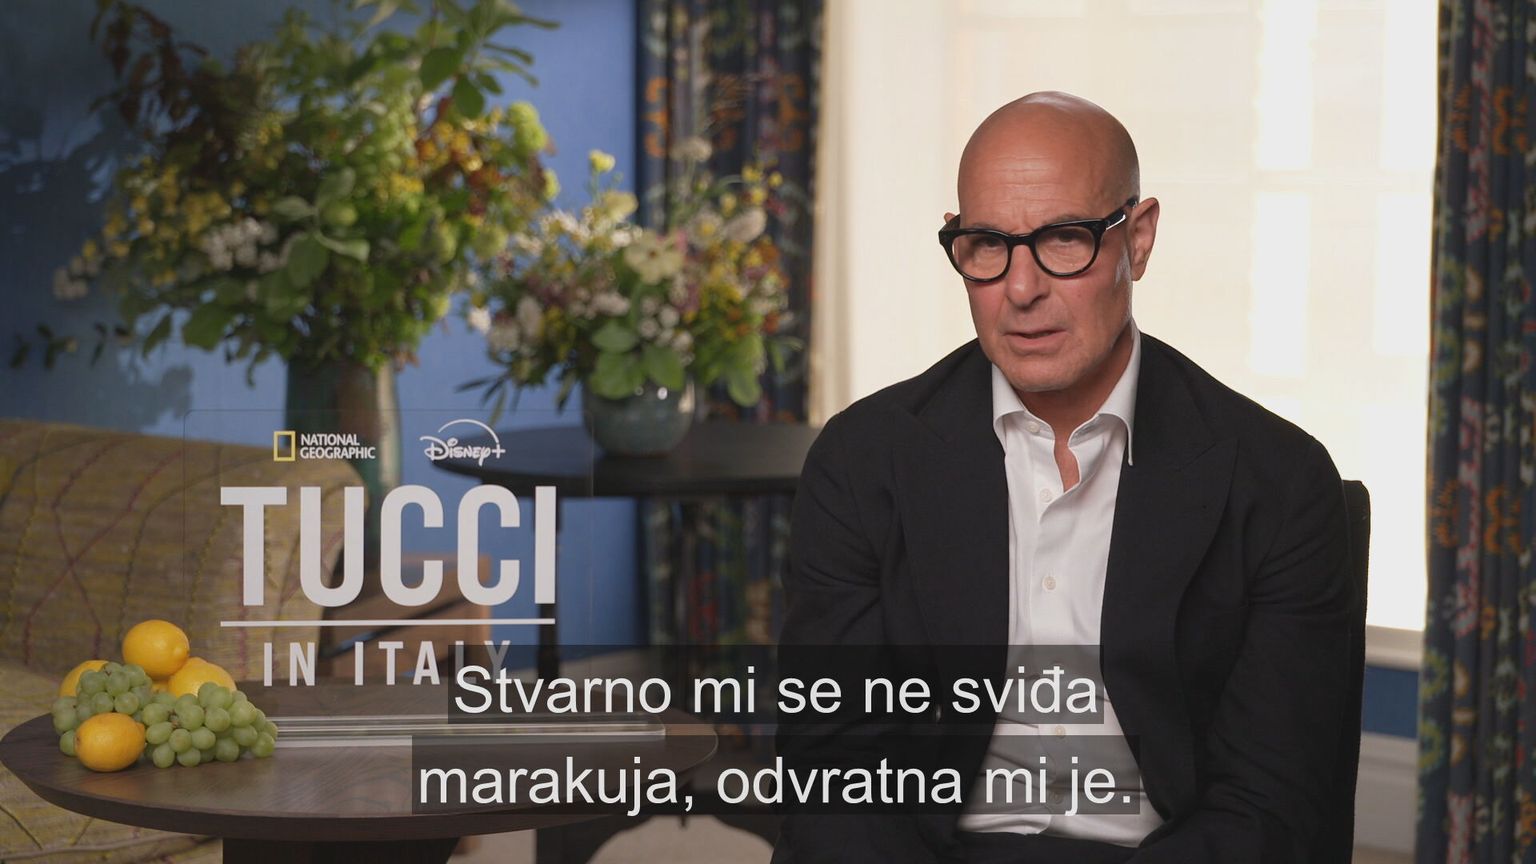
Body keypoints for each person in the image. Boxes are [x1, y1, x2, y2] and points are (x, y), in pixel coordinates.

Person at [772, 92, 1357, 863]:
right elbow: (833, 765)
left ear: (1138, 239)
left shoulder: (1279, 480)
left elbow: (1270, 804)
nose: (1021, 289)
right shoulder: (861, 460)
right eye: (988, 244)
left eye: (1064, 239)